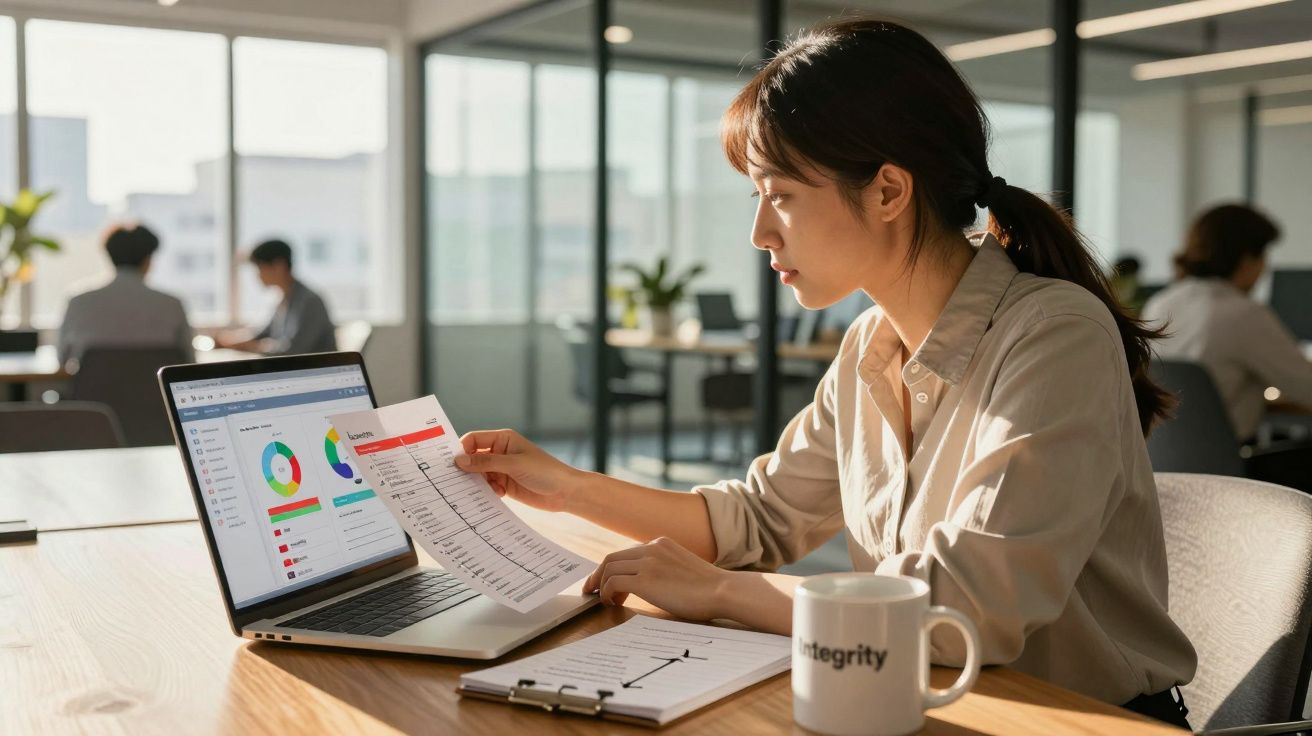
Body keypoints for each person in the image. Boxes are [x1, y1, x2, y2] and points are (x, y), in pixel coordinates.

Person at [455, 19, 1196, 727]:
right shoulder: (871, 344)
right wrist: (566, 486)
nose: (759, 232)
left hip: (1073, 720)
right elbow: (756, 521)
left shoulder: (1054, 335)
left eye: (781, 196)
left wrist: (720, 593)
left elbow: (970, 606)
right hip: (917, 695)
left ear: (888, 192)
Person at [1143, 204, 1312, 443]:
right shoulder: (1244, 314)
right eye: (1263, 257)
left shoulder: (1160, 304)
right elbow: (1306, 387)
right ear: (1247, 260)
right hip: (1232, 469)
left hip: (1165, 463)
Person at [58, 223, 193, 365]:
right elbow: (189, 362)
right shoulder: (171, 305)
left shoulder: (79, 303)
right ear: (148, 260)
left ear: (109, 255)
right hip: (153, 387)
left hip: (95, 386)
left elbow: (62, 360)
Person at [219, 239, 337, 355]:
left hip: (315, 371)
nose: (258, 275)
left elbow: (293, 350)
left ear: (278, 265)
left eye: (260, 268)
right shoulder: (281, 299)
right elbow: (263, 333)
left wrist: (253, 346)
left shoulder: (310, 302)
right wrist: (230, 340)